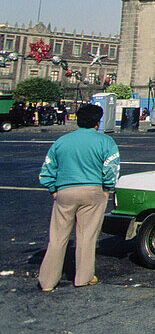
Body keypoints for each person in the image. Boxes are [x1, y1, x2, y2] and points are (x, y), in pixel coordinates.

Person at [37, 104, 121, 291]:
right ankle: (83, 277)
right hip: (93, 192)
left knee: (57, 237)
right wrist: (106, 189)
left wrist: (53, 190)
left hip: (65, 192)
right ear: (97, 123)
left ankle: (47, 280)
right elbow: (111, 169)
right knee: (86, 236)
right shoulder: (106, 142)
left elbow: (47, 170)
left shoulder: (61, 141)